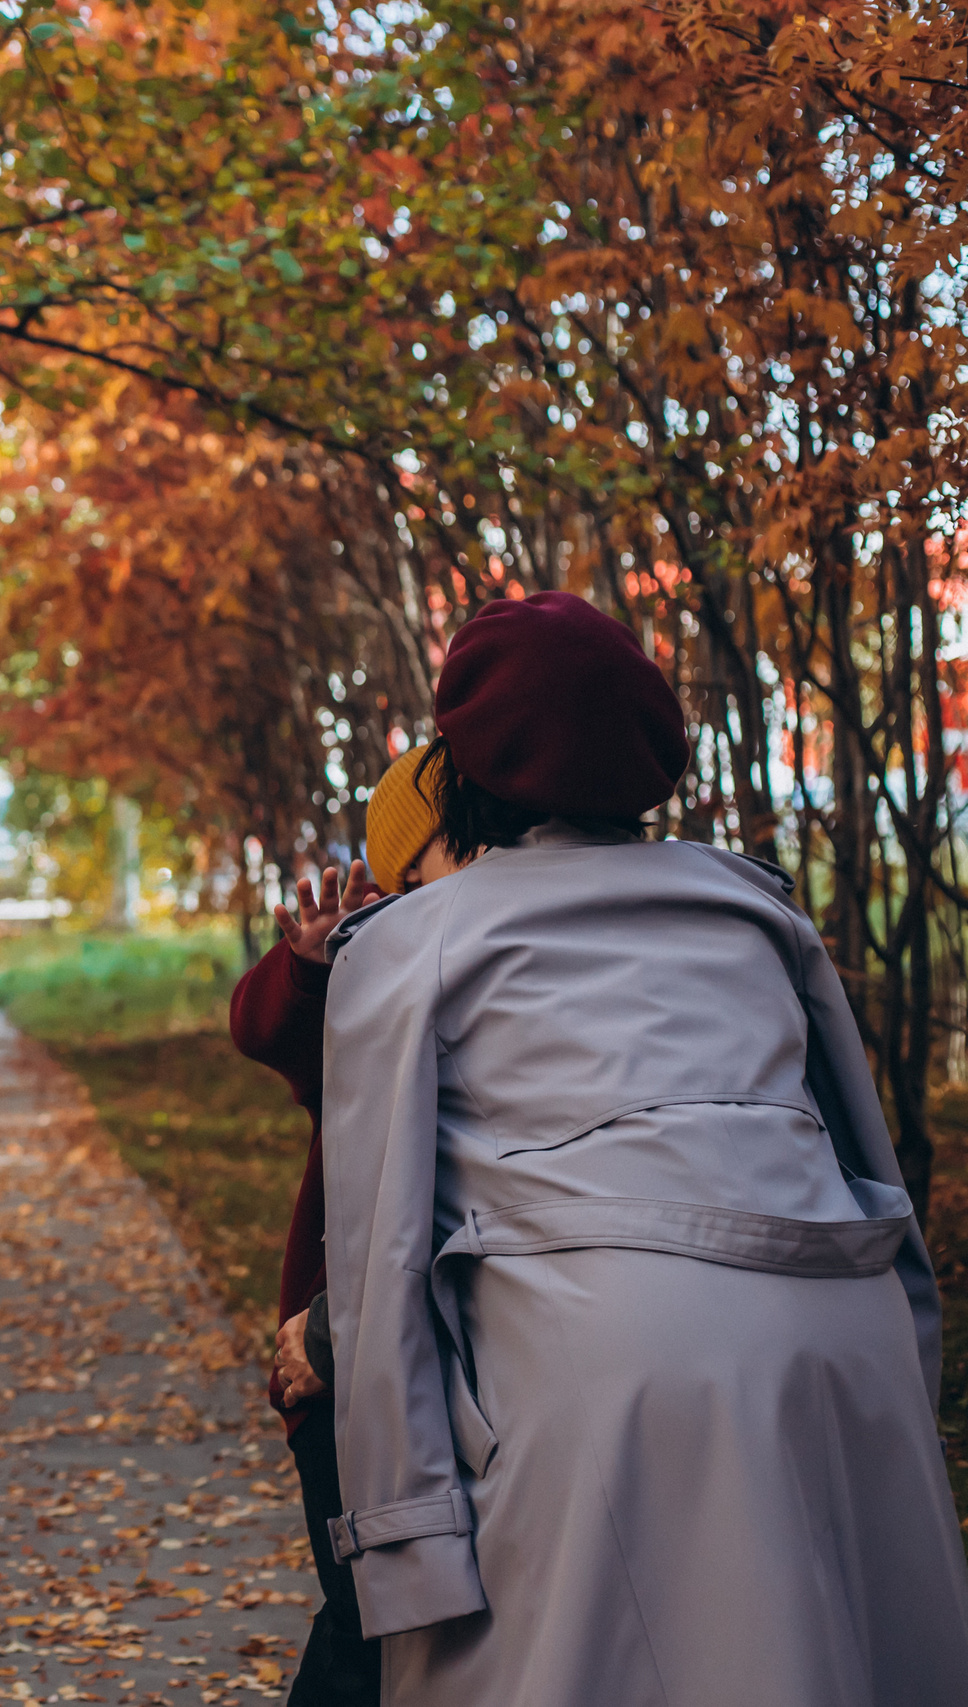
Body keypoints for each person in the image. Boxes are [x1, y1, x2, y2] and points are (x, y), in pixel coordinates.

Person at [319, 591, 968, 1705]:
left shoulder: (409, 942)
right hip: (837, 1353)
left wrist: (404, 1537)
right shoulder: (755, 906)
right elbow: (868, 1179)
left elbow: (379, 1263)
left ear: (460, 767)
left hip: (606, 1372)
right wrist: (903, 1390)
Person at [234, 743, 456, 1707]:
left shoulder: (471, 952)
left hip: (406, 1347)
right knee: (367, 1618)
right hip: (335, 1366)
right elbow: (260, 1029)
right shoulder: (382, 965)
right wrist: (315, 960)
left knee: (394, 1628)